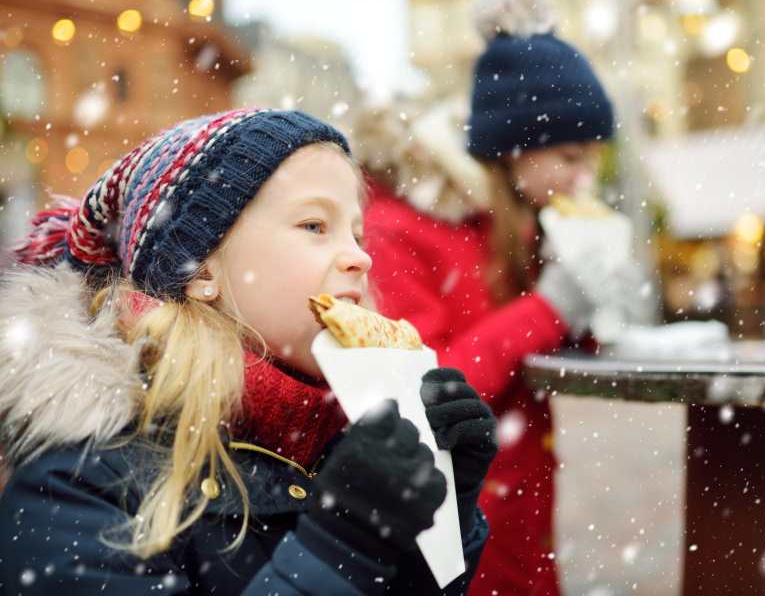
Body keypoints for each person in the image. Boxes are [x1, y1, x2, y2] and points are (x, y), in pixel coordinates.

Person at [0, 109, 497, 595]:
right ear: (201, 271)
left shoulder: (332, 438)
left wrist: (442, 513)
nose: (361, 256)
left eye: (358, 234)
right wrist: (343, 544)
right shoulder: (79, 478)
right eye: (314, 226)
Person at [362, 0, 618, 593]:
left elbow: (530, 353)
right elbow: (429, 388)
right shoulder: (399, 231)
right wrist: (551, 307)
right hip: (457, 529)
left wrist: (590, 314)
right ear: (512, 149)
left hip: (520, 515)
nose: (586, 179)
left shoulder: (513, 223)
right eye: (572, 157)